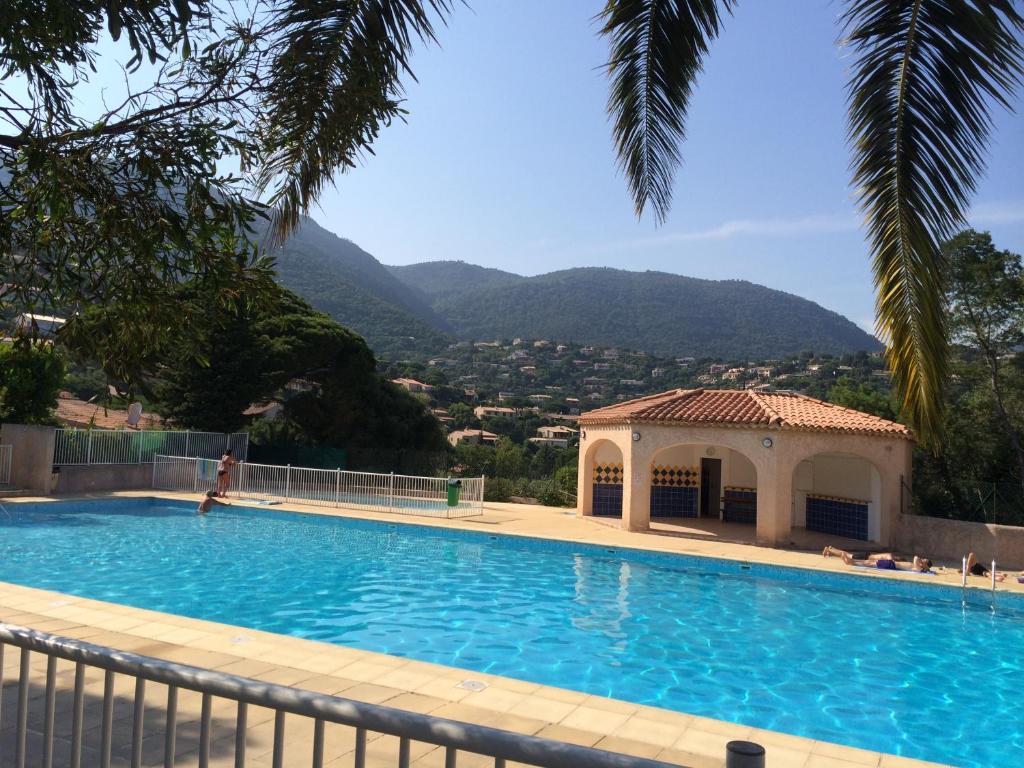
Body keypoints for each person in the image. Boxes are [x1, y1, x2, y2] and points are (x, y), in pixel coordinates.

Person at [823, 545, 932, 573]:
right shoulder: (918, 567)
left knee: (868, 563)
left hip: (890, 565)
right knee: (868, 562)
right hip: (890, 564)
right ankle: (849, 561)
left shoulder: (918, 568)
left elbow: (916, 557)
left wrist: (926, 567)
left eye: (924, 561)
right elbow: (917, 558)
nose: (921, 560)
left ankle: (848, 560)